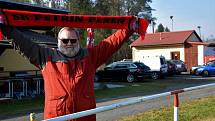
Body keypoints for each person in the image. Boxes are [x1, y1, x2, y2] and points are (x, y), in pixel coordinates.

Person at [2, 26, 135, 120]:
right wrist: (6, 27)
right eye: (65, 40)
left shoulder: (91, 57)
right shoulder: (45, 56)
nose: (69, 44)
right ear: (58, 42)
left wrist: (129, 28)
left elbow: (111, 43)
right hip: (56, 118)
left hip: (86, 119)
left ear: (78, 41)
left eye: (73, 40)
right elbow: (23, 43)